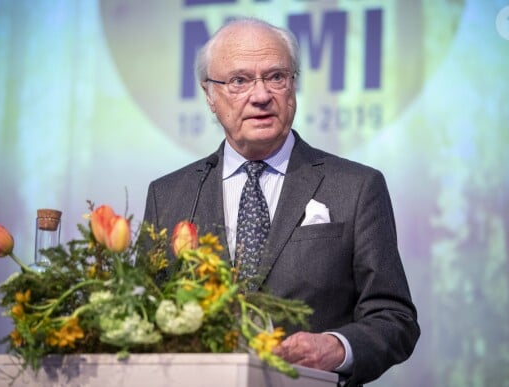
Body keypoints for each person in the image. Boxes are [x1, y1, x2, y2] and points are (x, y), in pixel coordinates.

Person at [143, 17, 419, 386]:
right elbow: (143, 314)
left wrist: (338, 347)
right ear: (209, 94)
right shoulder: (170, 195)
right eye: (239, 81)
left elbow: (393, 317)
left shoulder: (356, 187)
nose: (261, 95)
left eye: (276, 77)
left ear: (293, 86)